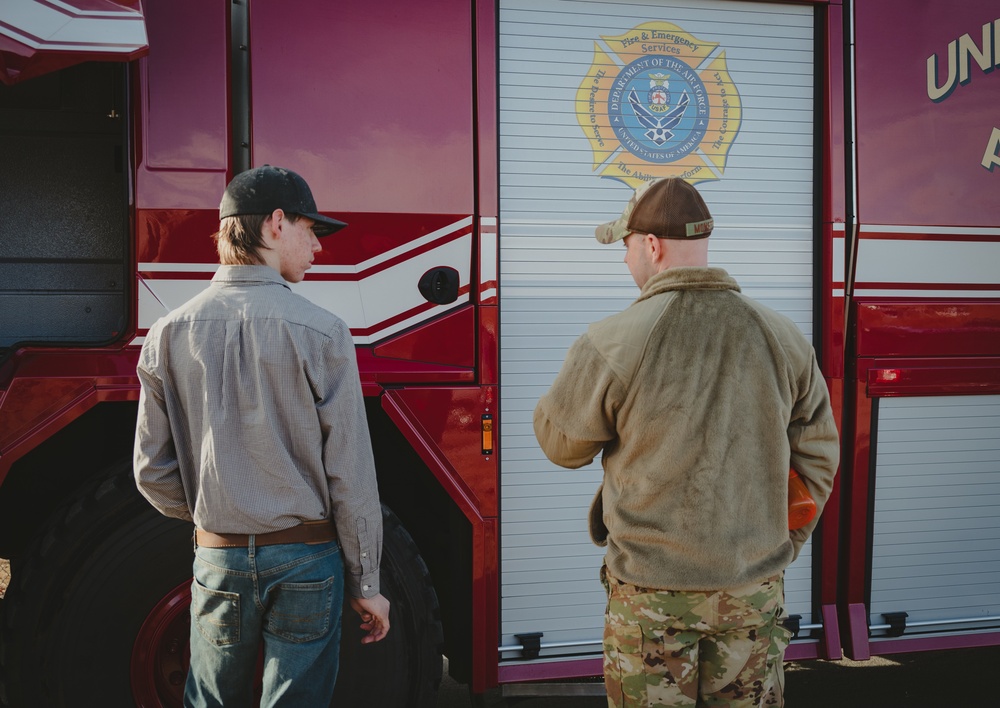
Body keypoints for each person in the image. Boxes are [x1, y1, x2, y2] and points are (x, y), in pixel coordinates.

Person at [533, 177, 839, 707]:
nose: (626, 260)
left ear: (651, 245)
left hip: (652, 603)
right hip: (753, 596)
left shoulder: (612, 340)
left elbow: (563, 447)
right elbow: (820, 454)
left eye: (626, 246)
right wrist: (782, 544)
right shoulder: (783, 335)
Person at [134, 165, 390, 707]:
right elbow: (350, 471)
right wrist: (368, 583)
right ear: (275, 224)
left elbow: (151, 472)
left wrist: (222, 516)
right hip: (306, 560)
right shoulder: (323, 332)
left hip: (217, 559)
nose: (317, 247)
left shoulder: (166, 333)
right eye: (310, 229)